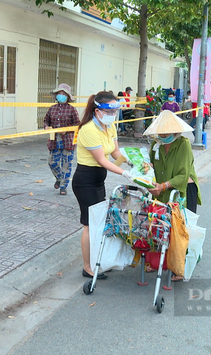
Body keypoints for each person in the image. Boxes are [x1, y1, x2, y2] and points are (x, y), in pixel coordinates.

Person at [72, 91, 135, 279]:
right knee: (89, 224)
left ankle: (97, 261)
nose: (113, 115)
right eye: (110, 111)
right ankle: (87, 267)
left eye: (116, 111)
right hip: (85, 180)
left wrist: (134, 162)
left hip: (99, 180)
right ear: (98, 111)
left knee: (99, 223)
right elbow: (101, 160)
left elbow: (115, 152)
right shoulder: (89, 129)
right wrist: (124, 173)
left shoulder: (109, 127)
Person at [144, 110, 201, 214]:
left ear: (175, 131)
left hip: (182, 189)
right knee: (160, 225)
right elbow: (151, 164)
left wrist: (163, 186)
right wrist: (147, 168)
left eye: (166, 133)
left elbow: (183, 175)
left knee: (181, 226)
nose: (163, 135)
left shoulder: (183, 144)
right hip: (160, 190)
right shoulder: (156, 144)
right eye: (161, 132)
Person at [43, 83, 80, 195]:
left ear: (68, 96)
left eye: (63, 94)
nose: (61, 95)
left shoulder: (72, 110)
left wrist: (67, 130)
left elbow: (78, 124)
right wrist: (47, 127)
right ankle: (59, 178)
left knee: (66, 164)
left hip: (68, 140)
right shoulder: (52, 109)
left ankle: (63, 186)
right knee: (51, 161)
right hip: (54, 140)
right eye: (59, 93)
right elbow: (46, 120)